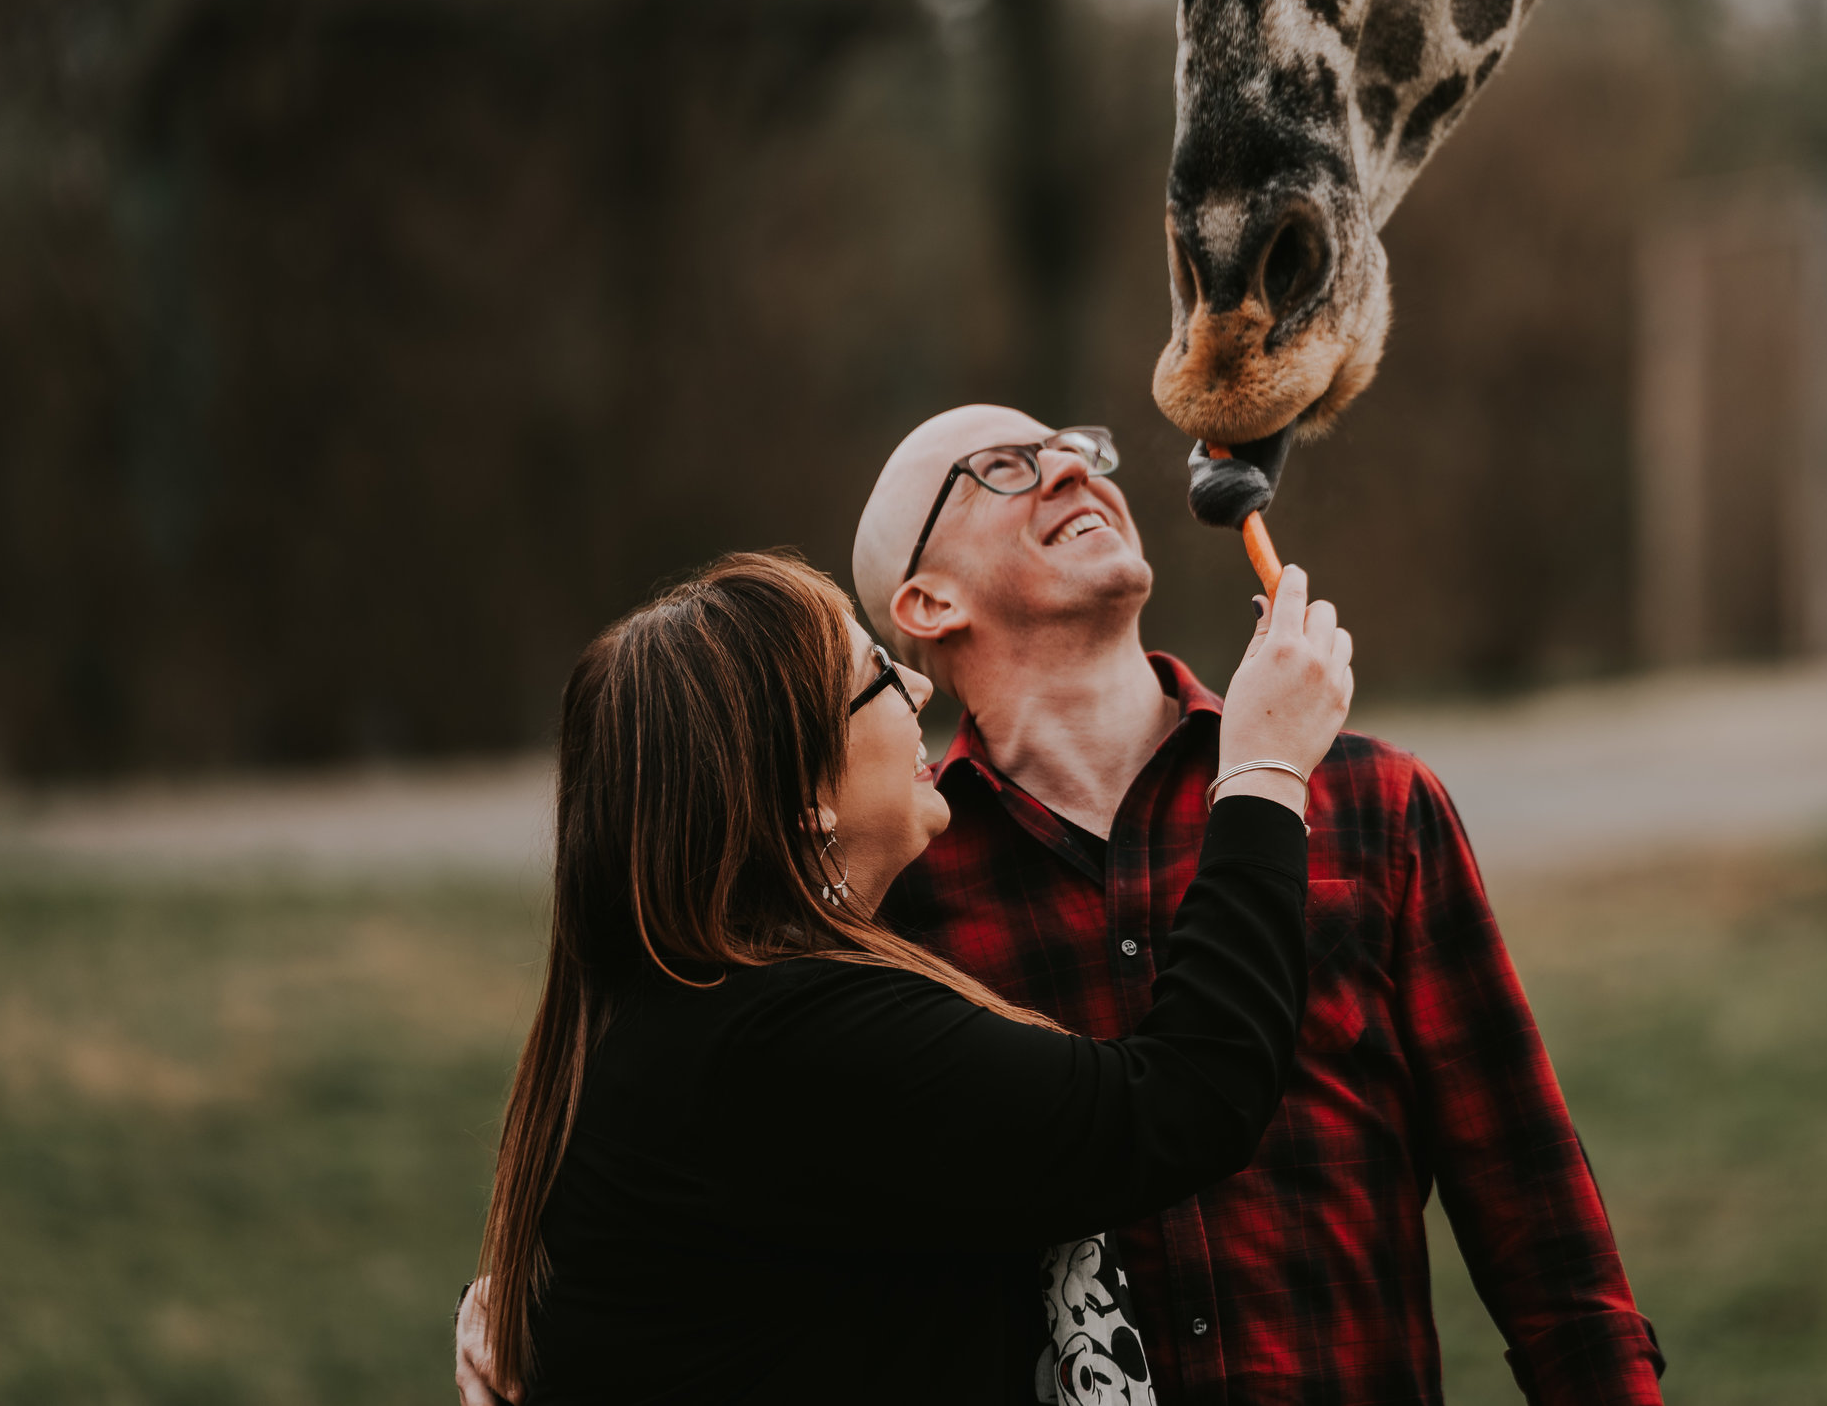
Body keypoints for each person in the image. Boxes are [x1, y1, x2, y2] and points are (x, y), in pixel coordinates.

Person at [464, 408, 1664, 1404]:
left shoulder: (1371, 804)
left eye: (1079, 446)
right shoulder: (872, 918)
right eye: (1000, 466)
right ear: (923, 609)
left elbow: (1545, 1236)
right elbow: (1167, 1109)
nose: (1073, 465)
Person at [461, 547, 1353, 1403]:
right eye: (882, 676)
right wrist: (1264, 769)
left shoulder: (688, 1018)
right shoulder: (790, 1038)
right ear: (806, 797)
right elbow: (1188, 1097)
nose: (921, 687)